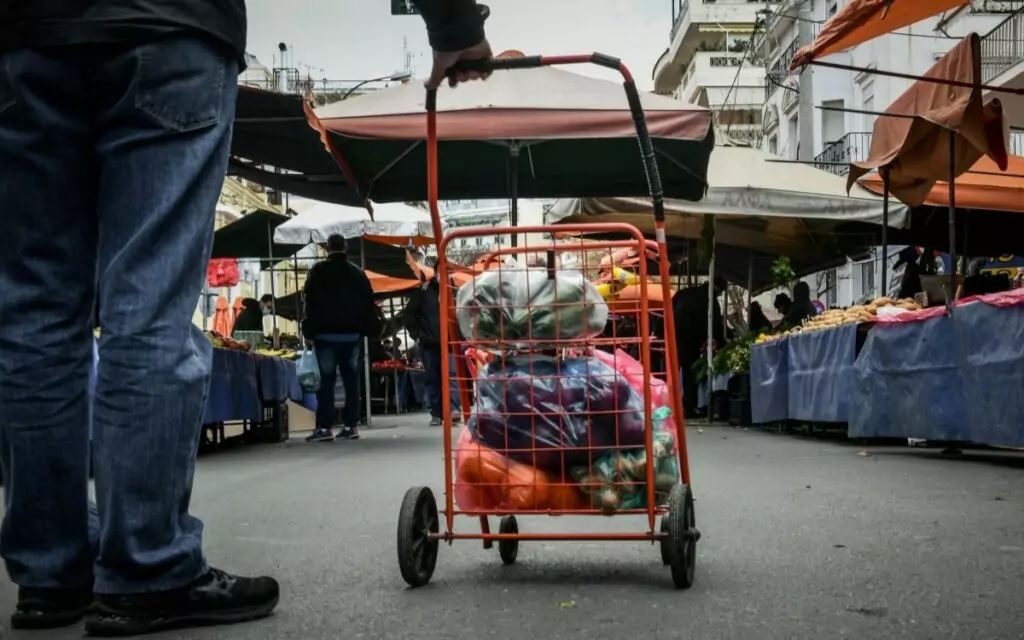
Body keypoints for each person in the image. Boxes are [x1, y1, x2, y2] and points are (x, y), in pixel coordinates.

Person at [1, 0, 492, 633]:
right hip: (168, 29)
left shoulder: (321, 276)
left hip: (25, 39)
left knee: (36, 309)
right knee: (147, 302)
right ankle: (147, 567)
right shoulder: (347, 275)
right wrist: (454, 23)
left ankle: (48, 575)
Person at [303, 235, 377, 442]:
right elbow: (368, 302)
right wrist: (366, 329)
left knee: (326, 382)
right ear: (345, 248)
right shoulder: (357, 273)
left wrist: (309, 332)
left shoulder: (317, 271)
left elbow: (309, 302)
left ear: (327, 248)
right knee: (351, 380)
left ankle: (325, 428)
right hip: (351, 336)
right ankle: (351, 425)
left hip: (325, 336)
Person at [405, 273, 462, 426]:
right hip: (430, 342)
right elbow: (409, 315)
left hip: (451, 342)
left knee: (452, 376)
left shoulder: (455, 291)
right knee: (433, 378)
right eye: (441, 271)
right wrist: (417, 335)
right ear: (436, 272)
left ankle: (453, 410)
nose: (444, 275)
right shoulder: (423, 291)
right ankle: (436, 413)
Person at [672, 277, 726, 419]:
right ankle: (689, 407)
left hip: (674, 338)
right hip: (692, 342)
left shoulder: (683, 293)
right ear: (718, 289)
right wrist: (722, 343)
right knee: (690, 376)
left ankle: (670, 405)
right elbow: (716, 325)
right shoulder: (710, 299)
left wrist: (658, 333)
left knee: (672, 373)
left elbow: (667, 310)